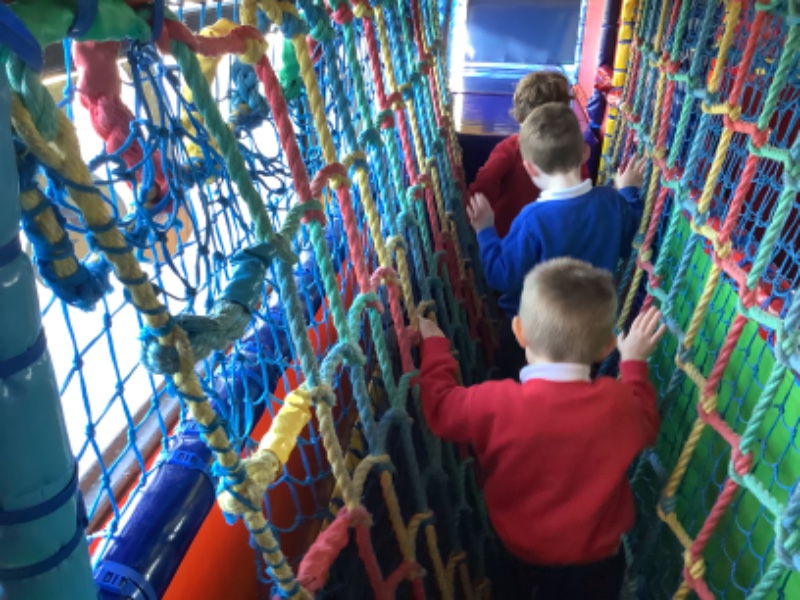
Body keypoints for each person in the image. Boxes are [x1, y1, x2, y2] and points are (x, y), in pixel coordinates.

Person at [417, 258, 665, 600]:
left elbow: (441, 411)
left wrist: (434, 347)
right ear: (606, 348)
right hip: (597, 565)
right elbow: (647, 426)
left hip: (519, 554)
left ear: (519, 332)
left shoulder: (494, 403)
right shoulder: (617, 403)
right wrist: (634, 363)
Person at [469, 102, 645, 377]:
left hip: (533, 334)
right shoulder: (611, 203)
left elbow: (501, 276)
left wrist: (485, 230)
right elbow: (631, 236)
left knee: (515, 384)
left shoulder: (533, 220)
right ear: (585, 152)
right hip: (589, 333)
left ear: (530, 168)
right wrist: (629, 191)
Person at [468, 70, 591, 238]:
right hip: (557, 233)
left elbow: (484, 183)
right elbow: (582, 184)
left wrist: (479, 214)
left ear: (521, 116)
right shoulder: (570, 148)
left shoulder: (512, 147)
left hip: (510, 232)